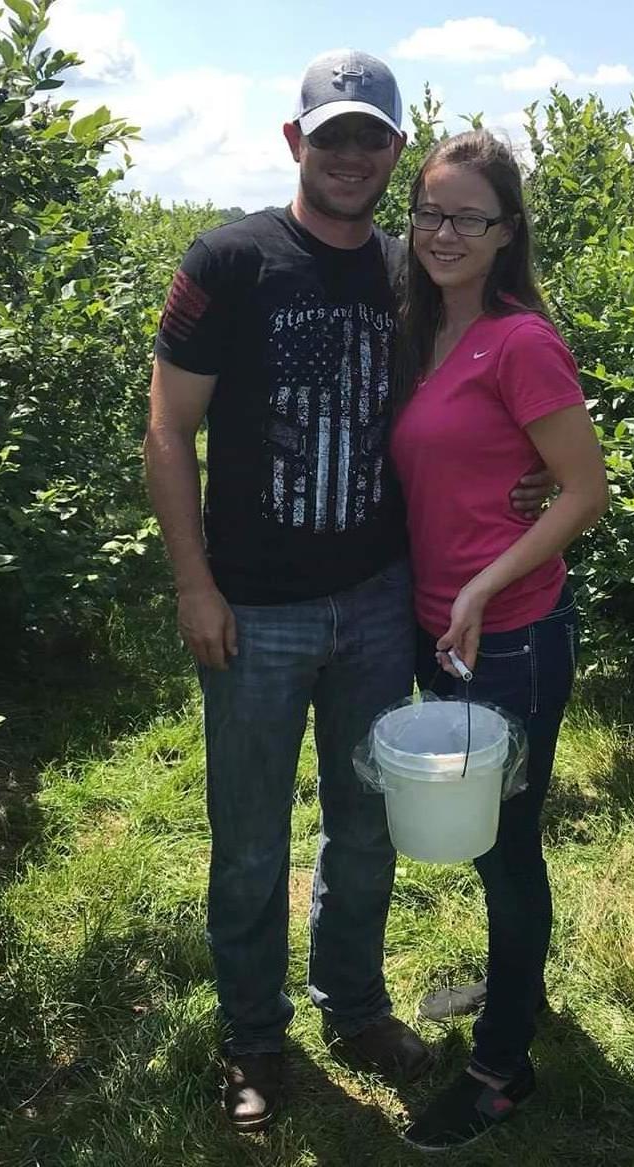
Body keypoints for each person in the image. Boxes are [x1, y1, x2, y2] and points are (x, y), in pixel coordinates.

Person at [143, 51, 549, 1133]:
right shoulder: (230, 261)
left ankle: (355, 1006)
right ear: (296, 142)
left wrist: (531, 475)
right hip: (254, 608)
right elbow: (168, 428)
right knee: (248, 836)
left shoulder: (412, 271)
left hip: (376, 598)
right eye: (333, 136)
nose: (352, 156)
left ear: (395, 152)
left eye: (372, 137)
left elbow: (485, 383)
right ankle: (253, 1035)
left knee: (365, 822)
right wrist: (194, 583)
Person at [387, 129, 608, 1151]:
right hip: (442, 631)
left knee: (507, 849)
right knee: (486, 843)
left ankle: (502, 1068)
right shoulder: (422, 329)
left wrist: (482, 582)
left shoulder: (519, 342)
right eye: (429, 211)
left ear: (506, 231)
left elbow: (584, 490)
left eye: (468, 217)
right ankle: (521, 991)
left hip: (509, 637)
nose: (443, 232)